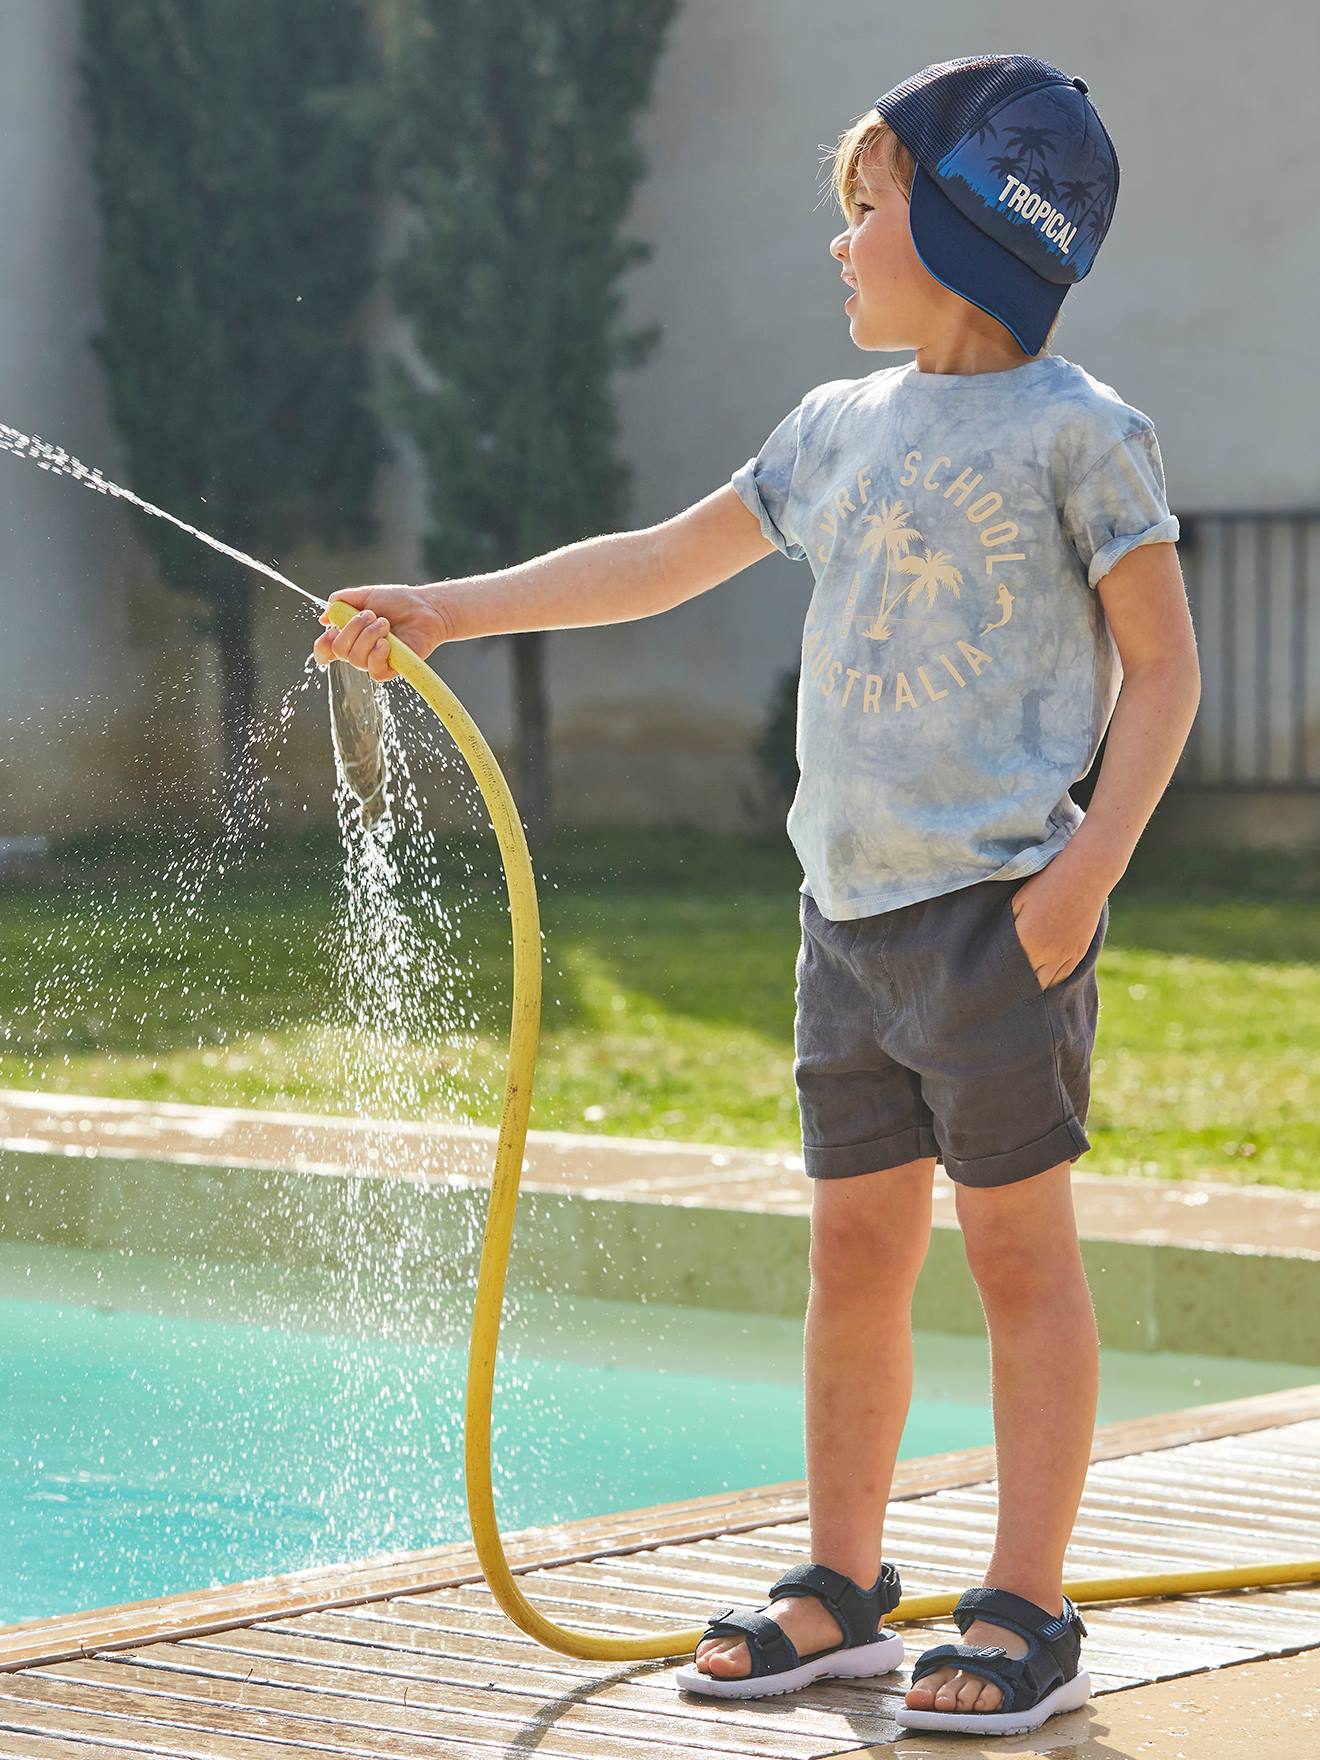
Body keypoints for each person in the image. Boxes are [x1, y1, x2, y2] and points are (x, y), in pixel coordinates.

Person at [314, 52, 1200, 1739]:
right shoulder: (832, 428)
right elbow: (657, 559)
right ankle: (847, 1586)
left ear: (962, 223)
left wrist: (1086, 870)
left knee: (1021, 1262)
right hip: (845, 922)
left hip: (999, 913)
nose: (840, 242)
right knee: (853, 1261)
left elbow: (1163, 674)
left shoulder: (1084, 435)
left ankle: (1023, 1603)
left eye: (864, 207)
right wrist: (450, 609)